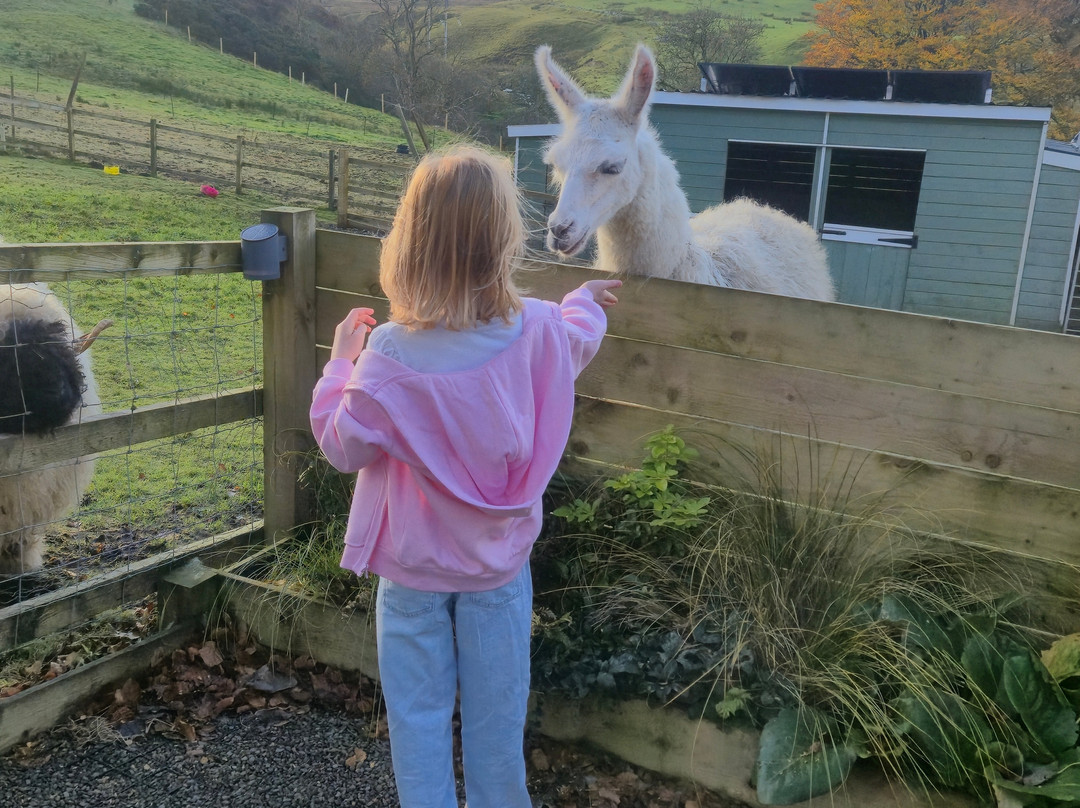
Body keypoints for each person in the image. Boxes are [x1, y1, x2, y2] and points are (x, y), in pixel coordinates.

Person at [309, 144, 621, 808]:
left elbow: (343, 446)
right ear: (503, 241)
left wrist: (340, 363)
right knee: (497, 723)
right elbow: (576, 340)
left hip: (413, 572)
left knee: (418, 725)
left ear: (409, 240)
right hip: (499, 572)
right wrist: (585, 301)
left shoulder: (389, 351)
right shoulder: (536, 330)